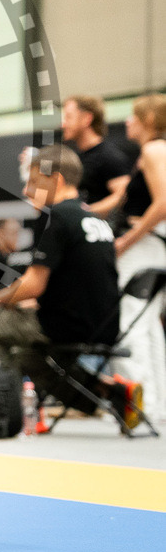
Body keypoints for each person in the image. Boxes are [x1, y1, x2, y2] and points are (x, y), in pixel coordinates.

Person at [0, 146, 142, 429]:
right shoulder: (94, 219)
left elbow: (33, 285)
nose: (27, 190)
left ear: (57, 180)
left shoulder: (58, 217)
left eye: (34, 182)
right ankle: (110, 392)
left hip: (62, 326)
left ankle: (8, 403)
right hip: (104, 327)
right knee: (26, 356)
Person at [112, 94, 166, 422]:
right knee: (148, 324)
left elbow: (163, 204)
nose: (127, 122)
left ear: (148, 119)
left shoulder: (154, 150)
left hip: (144, 245)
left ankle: (137, 404)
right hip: (155, 246)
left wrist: (126, 240)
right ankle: (155, 403)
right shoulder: (155, 152)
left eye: (133, 116)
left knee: (129, 322)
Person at [61, 95, 131, 216]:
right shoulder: (77, 157)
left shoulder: (109, 156)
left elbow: (122, 195)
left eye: (69, 117)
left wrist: (85, 213)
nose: (63, 124)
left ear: (86, 118)